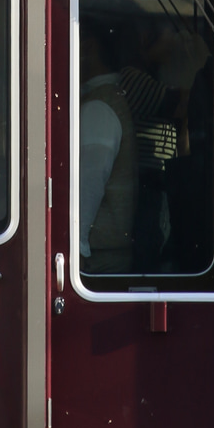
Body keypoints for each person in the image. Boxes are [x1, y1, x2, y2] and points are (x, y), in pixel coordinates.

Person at [78, 27, 137, 274]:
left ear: (89, 48)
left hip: (99, 260)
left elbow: (89, 184)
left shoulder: (97, 108)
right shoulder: (108, 98)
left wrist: (77, 246)